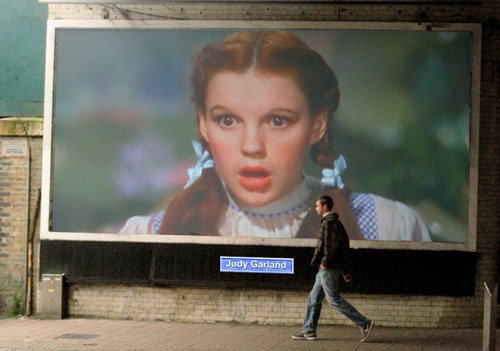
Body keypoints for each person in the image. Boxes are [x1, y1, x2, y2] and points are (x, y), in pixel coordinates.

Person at [120, 30, 430, 241]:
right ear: (203, 124)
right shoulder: (152, 232)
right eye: (227, 120)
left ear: (317, 124)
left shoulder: (387, 224)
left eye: (278, 120)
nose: (252, 146)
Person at [293, 195, 374, 342]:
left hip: (328, 268)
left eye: (318, 205)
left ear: (325, 206)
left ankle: (364, 323)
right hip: (327, 268)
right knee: (314, 298)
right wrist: (345, 271)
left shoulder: (330, 223)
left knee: (333, 299)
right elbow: (343, 247)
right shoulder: (333, 222)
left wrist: (324, 262)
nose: (316, 208)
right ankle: (309, 331)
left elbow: (333, 246)